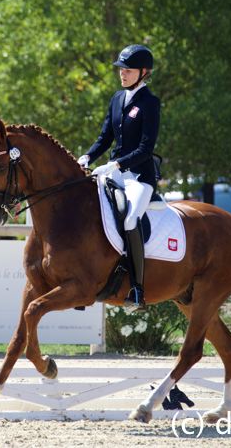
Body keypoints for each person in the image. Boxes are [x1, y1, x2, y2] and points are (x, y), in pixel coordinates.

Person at [77, 44, 160, 310]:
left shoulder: (149, 103)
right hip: (113, 173)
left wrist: (115, 164)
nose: (122, 73)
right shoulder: (117, 99)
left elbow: (145, 148)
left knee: (131, 219)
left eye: (128, 70)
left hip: (139, 177)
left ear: (144, 72)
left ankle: (136, 289)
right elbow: (105, 137)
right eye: (121, 69)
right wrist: (87, 157)